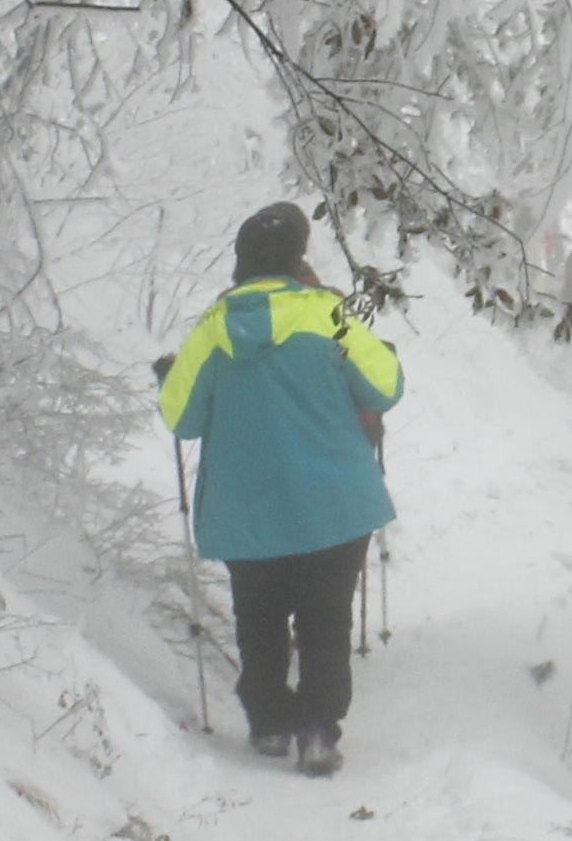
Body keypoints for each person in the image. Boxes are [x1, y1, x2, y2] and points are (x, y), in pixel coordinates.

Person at [156, 203, 402, 773]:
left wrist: (172, 377)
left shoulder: (212, 329)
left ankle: (268, 723)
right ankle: (318, 731)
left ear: (240, 265)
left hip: (246, 508)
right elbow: (384, 388)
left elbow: (182, 419)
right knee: (326, 618)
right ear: (297, 259)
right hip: (332, 502)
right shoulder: (330, 317)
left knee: (258, 615)